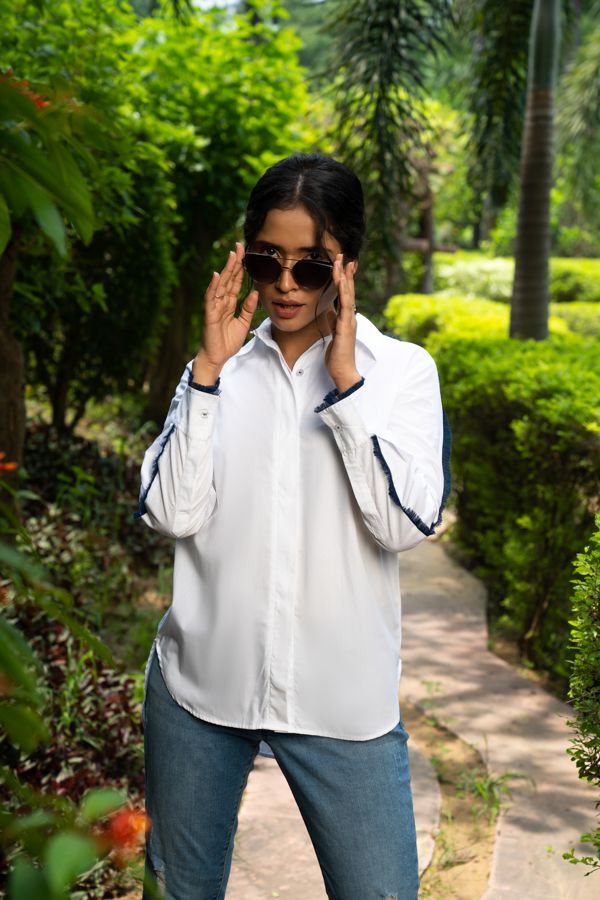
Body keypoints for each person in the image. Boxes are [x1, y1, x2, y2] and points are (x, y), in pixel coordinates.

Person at [136, 152, 450, 900]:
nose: (284, 285)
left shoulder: (401, 373)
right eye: (268, 262)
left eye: (311, 266)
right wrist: (206, 378)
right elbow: (169, 513)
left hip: (342, 703)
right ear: (244, 258)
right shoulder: (216, 373)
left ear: (347, 267)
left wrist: (346, 389)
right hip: (199, 692)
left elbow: (403, 523)